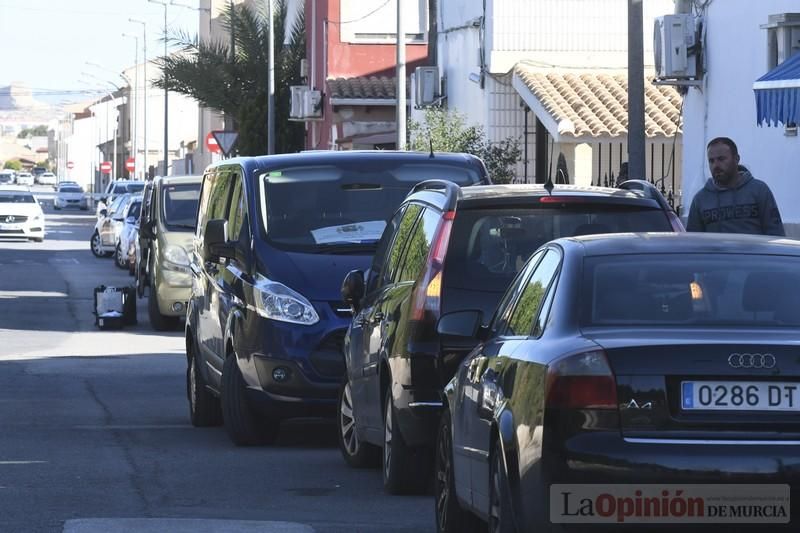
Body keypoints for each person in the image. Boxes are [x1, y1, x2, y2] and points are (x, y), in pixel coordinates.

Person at [686, 137, 784, 236]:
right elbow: (693, 243)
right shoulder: (700, 200)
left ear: (736, 159)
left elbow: (776, 235)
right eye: (711, 161)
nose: (716, 165)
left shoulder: (759, 191)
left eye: (721, 159)